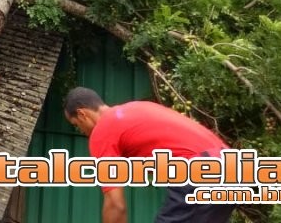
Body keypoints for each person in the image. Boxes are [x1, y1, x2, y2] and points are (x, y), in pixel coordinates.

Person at [63, 87, 236, 223]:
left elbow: (116, 205)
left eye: (76, 125)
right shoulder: (138, 107)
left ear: (82, 113)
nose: (82, 131)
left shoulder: (102, 131)